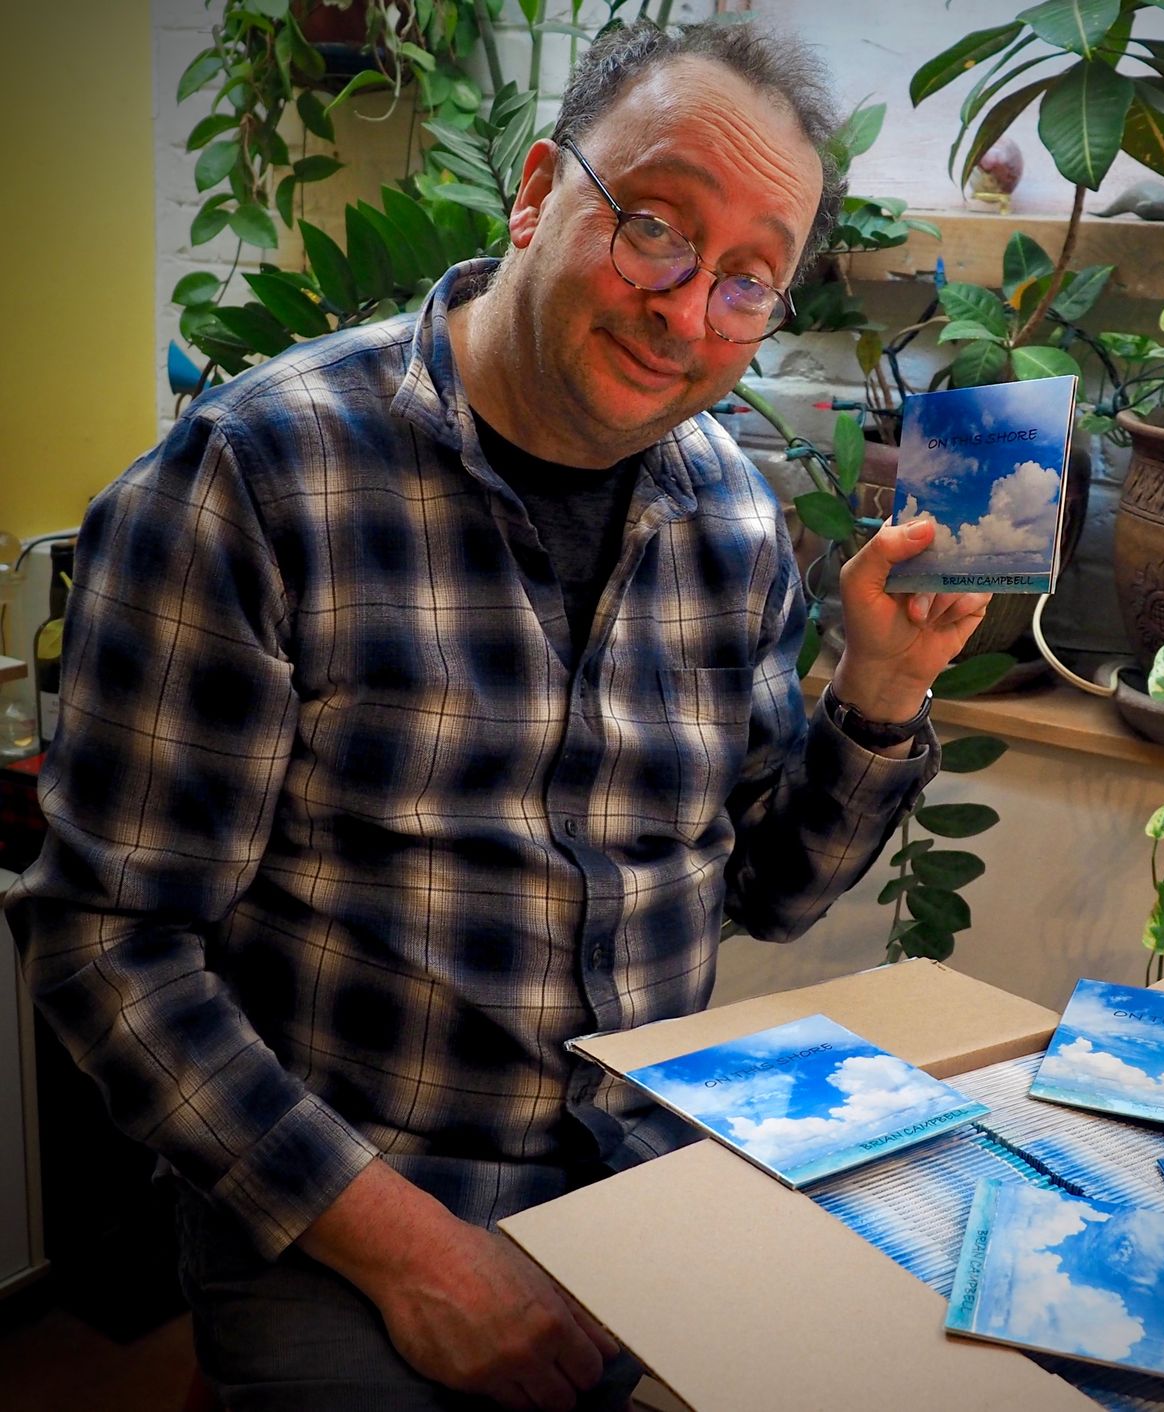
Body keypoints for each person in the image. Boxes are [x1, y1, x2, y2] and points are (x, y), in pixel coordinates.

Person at [6, 19, 989, 1412]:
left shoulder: (732, 516)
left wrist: (883, 684)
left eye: (747, 281)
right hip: (348, 1201)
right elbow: (108, 944)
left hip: (642, 1175)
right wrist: (419, 1260)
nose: (686, 310)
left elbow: (767, 892)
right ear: (536, 193)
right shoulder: (252, 480)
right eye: (655, 228)